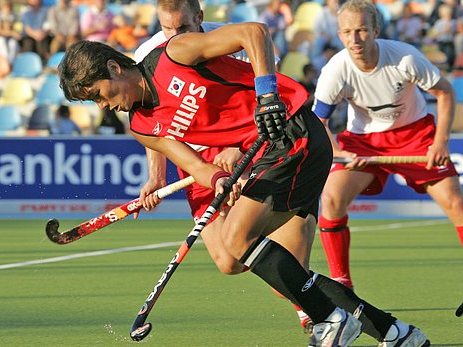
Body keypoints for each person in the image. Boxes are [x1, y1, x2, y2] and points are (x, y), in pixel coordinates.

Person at [58, 21, 431, 346]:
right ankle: (395, 332)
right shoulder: (143, 127)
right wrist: (218, 179)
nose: (103, 106)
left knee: (237, 242)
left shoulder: (174, 54)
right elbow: (194, 164)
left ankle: (331, 320)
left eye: (98, 95)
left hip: (293, 132)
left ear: (113, 67)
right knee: (258, 259)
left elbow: (254, 33)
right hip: (266, 156)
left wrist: (267, 94)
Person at [133, 0, 314, 333]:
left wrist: (236, 147)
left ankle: (309, 300)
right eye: (166, 28)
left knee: (278, 277)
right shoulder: (148, 54)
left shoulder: (233, 42)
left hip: (250, 145)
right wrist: (156, 176)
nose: (173, 36)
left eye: (183, 28)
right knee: (229, 262)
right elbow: (154, 127)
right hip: (197, 160)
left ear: (200, 17)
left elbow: (263, 97)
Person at [313, 0, 463, 311]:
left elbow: (445, 92)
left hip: (416, 135)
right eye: (347, 32)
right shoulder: (335, 70)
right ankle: (343, 288)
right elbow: (318, 124)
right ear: (339, 34)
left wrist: (440, 141)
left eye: (362, 31)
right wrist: (340, 152)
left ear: (376, 31)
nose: (355, 40)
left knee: (456, 204)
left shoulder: (404, 57)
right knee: (330, 200)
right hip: (363, 142)